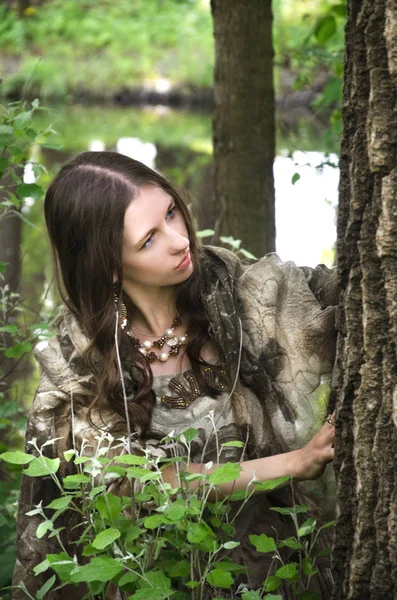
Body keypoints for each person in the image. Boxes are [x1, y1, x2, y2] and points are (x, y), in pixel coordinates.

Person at [13, 151, 337, 599]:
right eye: (149, 239)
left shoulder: (228, 287)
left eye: (170, 212)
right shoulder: (81, 362)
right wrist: (293, 464)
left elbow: (330, 300)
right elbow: (131, 487)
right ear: (109, 265)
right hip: (160, 576)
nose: (179, 240)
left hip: (276, 564)